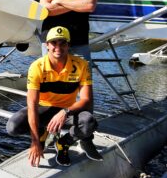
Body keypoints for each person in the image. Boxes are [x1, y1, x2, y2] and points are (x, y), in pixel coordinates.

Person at [6, 26, 102, 167]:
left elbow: (86, 100)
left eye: (62, 43)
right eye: (54, 43)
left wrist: (65, 112)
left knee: (89, 123)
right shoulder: (36, 67)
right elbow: (32, 105)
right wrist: (35, 141)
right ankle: (42, 133)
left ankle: (64, 142)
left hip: (66, 110)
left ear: (68, 45)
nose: (58, 47)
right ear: (47, 45)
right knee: (12, 127)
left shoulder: (82, 65)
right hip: (43, 109)